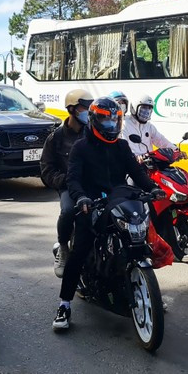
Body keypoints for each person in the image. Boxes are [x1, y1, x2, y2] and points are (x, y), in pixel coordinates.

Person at [53, 97, 164, 331]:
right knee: (79, 251)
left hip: (119, 199)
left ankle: (146, 290)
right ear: (94, 120)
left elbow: (137, 171)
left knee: (141, 239)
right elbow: (73, 179)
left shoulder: (122, 146)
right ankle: (64, 304)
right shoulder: (80, 147)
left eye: (115, 120)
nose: (111, 125)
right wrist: (81, 197)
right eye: (105, 120)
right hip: (90, 202)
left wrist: (152, 188)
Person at [40, 89, 93, 278]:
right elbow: (47, 170)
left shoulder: (94, 134)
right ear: (71, 109)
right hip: (69, 188)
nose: (88, 111)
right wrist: (66, 181)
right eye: (84, 107)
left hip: (94, 185)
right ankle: (63, 247)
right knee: (69, 211)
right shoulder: (55, 138)